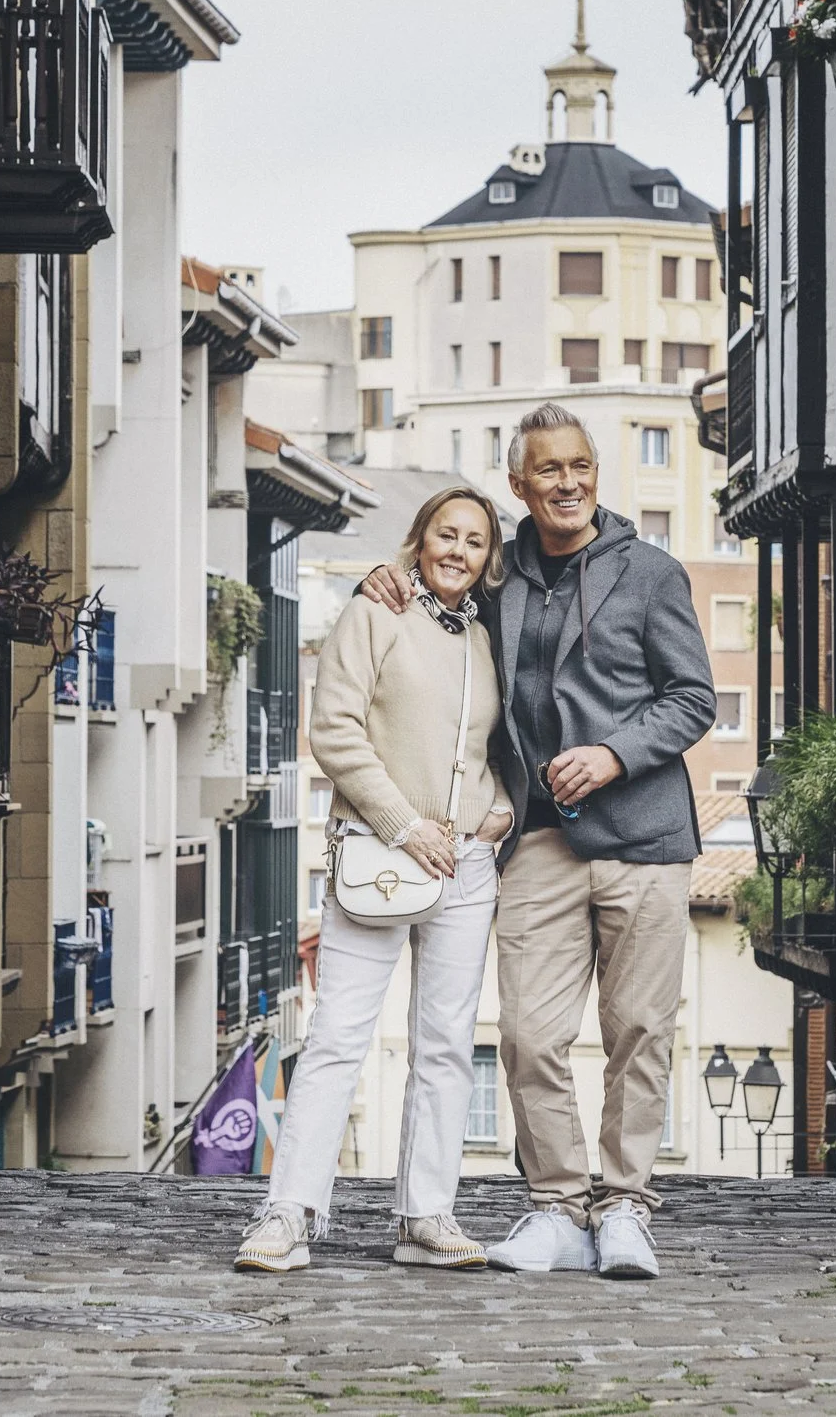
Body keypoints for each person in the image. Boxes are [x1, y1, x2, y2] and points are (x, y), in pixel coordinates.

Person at [360, 402, 713, 1281]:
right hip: (540, 841)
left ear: (596, 473)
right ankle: (556, 1205)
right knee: (527, 1035)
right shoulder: (498, 576)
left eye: (580, 466)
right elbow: (436, 580)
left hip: (645, 838)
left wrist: (613, 753)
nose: (568, 482)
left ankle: (625, 1204)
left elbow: (694, 698)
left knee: (637, 1029)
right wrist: (386, 576)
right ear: (519, 485)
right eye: (548, 470)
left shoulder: (651, 573)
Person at [234, 484, 518, 1274]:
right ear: (419, 538)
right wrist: (405, 823)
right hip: (380, 858)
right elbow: (332, 729)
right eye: (446, 534)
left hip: (465, 866)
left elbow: (492, 748)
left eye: (475, 540)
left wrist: (494, 811)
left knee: (447, 1045)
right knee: (336, 1039)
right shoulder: (375, 612)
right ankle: (286, 1212)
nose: (459, 550)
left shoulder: (488, 636)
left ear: (489, 556)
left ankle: (425, 1216)